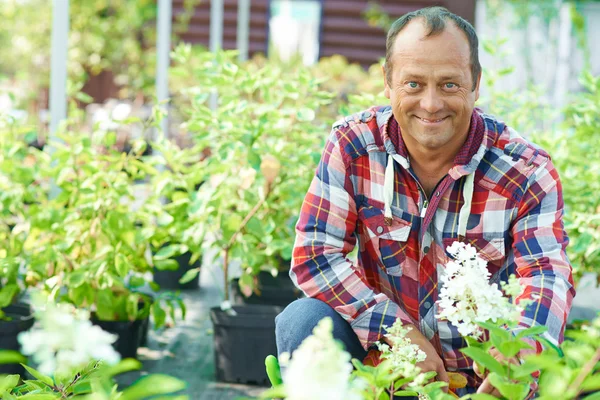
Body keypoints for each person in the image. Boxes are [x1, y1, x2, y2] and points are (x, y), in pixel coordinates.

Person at [274, 5, 575, 397]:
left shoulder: (526, 172)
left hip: (482, 382)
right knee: (302, 321)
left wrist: (513, 365)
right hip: (384, 368)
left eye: (449, 84)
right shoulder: (354, 147)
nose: (431, 104)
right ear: (388, 81)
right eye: (413, 84)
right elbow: (315, 253)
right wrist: (395, 333)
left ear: (476, 83)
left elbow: (545, 276)